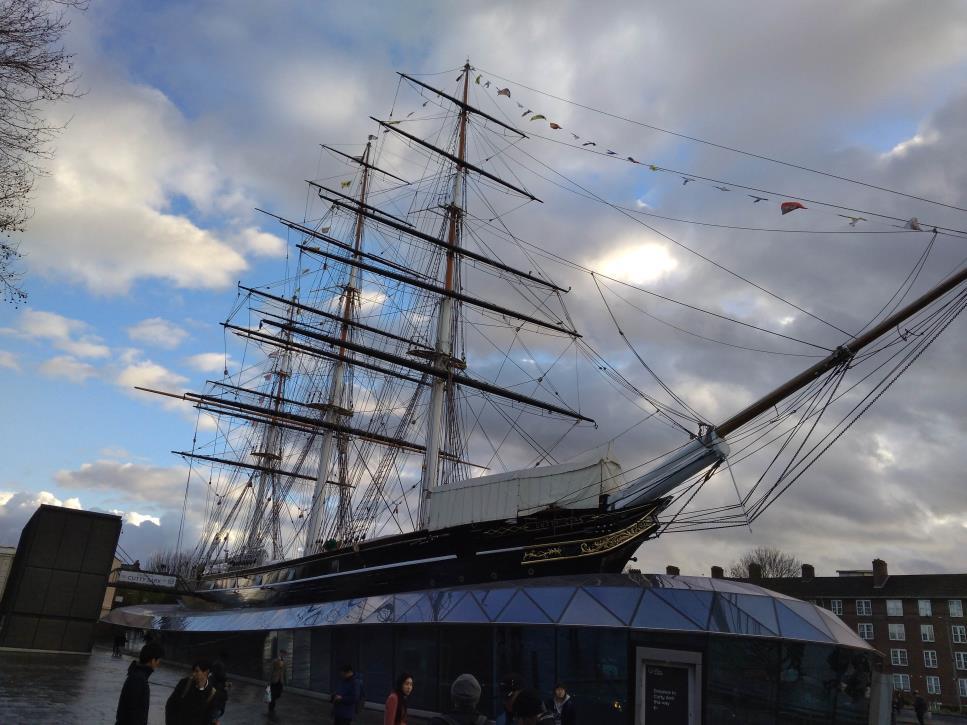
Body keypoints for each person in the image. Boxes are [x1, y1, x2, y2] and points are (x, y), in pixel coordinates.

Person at [115, 641, 164, 725]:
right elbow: (132, 712)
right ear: (152, 660)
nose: (158, 663)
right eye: (158, 660)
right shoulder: (139, 679)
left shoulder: (138, 675)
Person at [165, 658, 219, 725]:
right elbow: (170, 705)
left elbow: (208, 718)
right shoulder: (184, 683)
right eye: (193, 671)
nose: (193, 674)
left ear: (206, 672)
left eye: (197, 671)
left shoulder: (212, 693)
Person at [209, 660, 231, 724]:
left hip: (215, 706)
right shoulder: (220, 678)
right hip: (217, 706)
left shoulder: (214, 679)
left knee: (213, 720)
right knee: (214, 720)